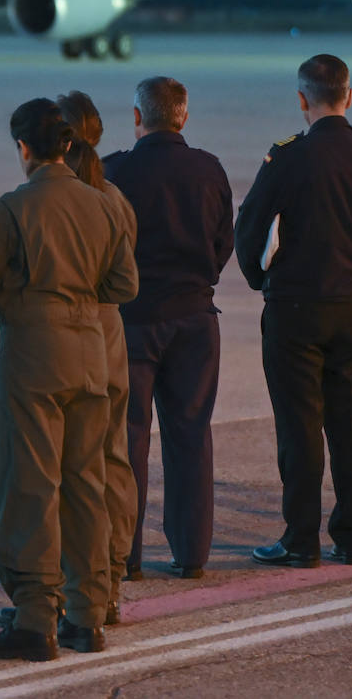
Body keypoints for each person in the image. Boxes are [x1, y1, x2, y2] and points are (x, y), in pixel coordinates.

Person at [0, 98, 138, 661]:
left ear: (23, 149)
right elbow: (124, 284)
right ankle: (88, 614)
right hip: (91, 354)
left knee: (30, 485)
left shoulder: (13, 207)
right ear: (67, 146)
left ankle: (36, 614)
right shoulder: (104, 203)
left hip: (33, 357)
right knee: (86, 484)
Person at [235, 54, 352, 569]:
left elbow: (250, 225)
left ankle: (301, 539)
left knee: (299, 426)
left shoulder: (289, 157)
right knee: (348, 423)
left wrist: (261, 280)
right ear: (349, 97)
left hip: (297, 308)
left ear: (303, 100)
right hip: (351, 306)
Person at [102, 77, 233, 580]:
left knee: (130, 438)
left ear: (138, 117)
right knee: (191, 435)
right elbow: (227, 239)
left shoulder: (116, 172)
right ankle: (191, 553)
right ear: (182, 117)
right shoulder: (209, 168)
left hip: (133, 320)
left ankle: (126, 555)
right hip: (196, 319)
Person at [54, 91, 138, 618]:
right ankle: (107, 578)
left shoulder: (51, 199)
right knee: (111, 457)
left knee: (60, 466)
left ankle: (68, 585)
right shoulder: (114, 199)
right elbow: (125, 278)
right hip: (110, 332)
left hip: (66, 331)